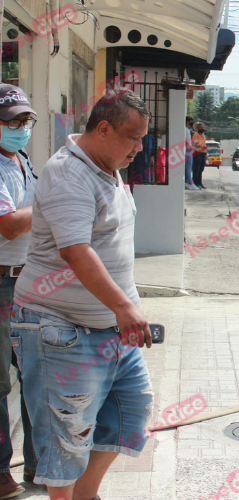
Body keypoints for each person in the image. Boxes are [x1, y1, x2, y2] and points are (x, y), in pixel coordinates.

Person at [11, 88, 154, 496]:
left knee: (129, 414)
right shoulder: (67, 172)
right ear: (104, 129)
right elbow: (75, 251)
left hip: (112, 329)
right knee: (66, 435)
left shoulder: (107, 164)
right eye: (133, 136)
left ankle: (85, 495)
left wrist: (123, 310)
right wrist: (124, 306)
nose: (139, 148)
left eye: (143, 137)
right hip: (59, 328)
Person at [0, 84, 38, 497]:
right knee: (0, 384)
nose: (21, 128)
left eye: (26, 121)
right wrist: (50, 200)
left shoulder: (22, 159)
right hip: (2, 282)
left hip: (27, 281)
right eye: (12, 122)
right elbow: (9, 224)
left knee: (33, 377)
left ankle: (36, 466)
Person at [192, 122, 207, 189]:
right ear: (197, 128)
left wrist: (206, 153)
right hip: (197, 153)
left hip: (203, 153)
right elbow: (194, 144)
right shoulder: (196, 135)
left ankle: (200, 183)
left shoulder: (203, 136)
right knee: (196, 169)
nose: (202, 128)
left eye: (203, 127)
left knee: (201, 169)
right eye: (201, 127)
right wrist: (201, 146)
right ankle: (195, 183)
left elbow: (204, 144)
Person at [185, 117, 198, 190]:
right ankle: (190, 183)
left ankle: (188, 181)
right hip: (187, 149)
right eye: (191, 122)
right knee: (189, 166)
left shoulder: (187, 130)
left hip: (188, 149)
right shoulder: (185, 130)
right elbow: (185, 140)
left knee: (188, 167)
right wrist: (190, 147)